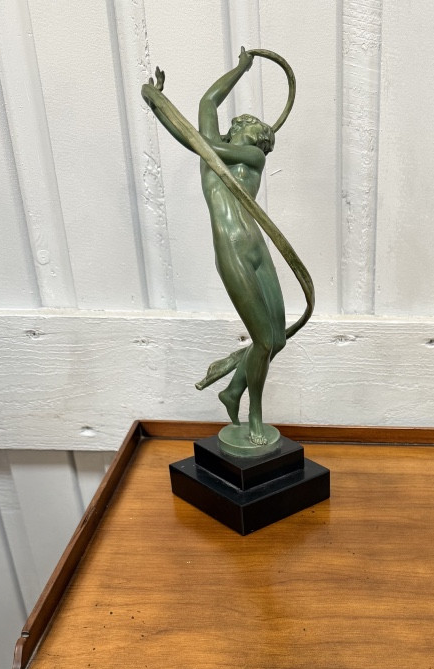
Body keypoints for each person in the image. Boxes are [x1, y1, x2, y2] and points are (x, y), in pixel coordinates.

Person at [144, 50, 287, 445]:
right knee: (262, 340)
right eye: (247, 125)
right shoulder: (213, 150)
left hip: (258, 246)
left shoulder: (249, 155)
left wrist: (167, 113)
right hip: (233, 250)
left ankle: (231, 385)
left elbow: (200, 142)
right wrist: (158, 104)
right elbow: (208, 103)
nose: (247, 127)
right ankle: (253, 415)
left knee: (279, 338)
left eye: (252, 127)